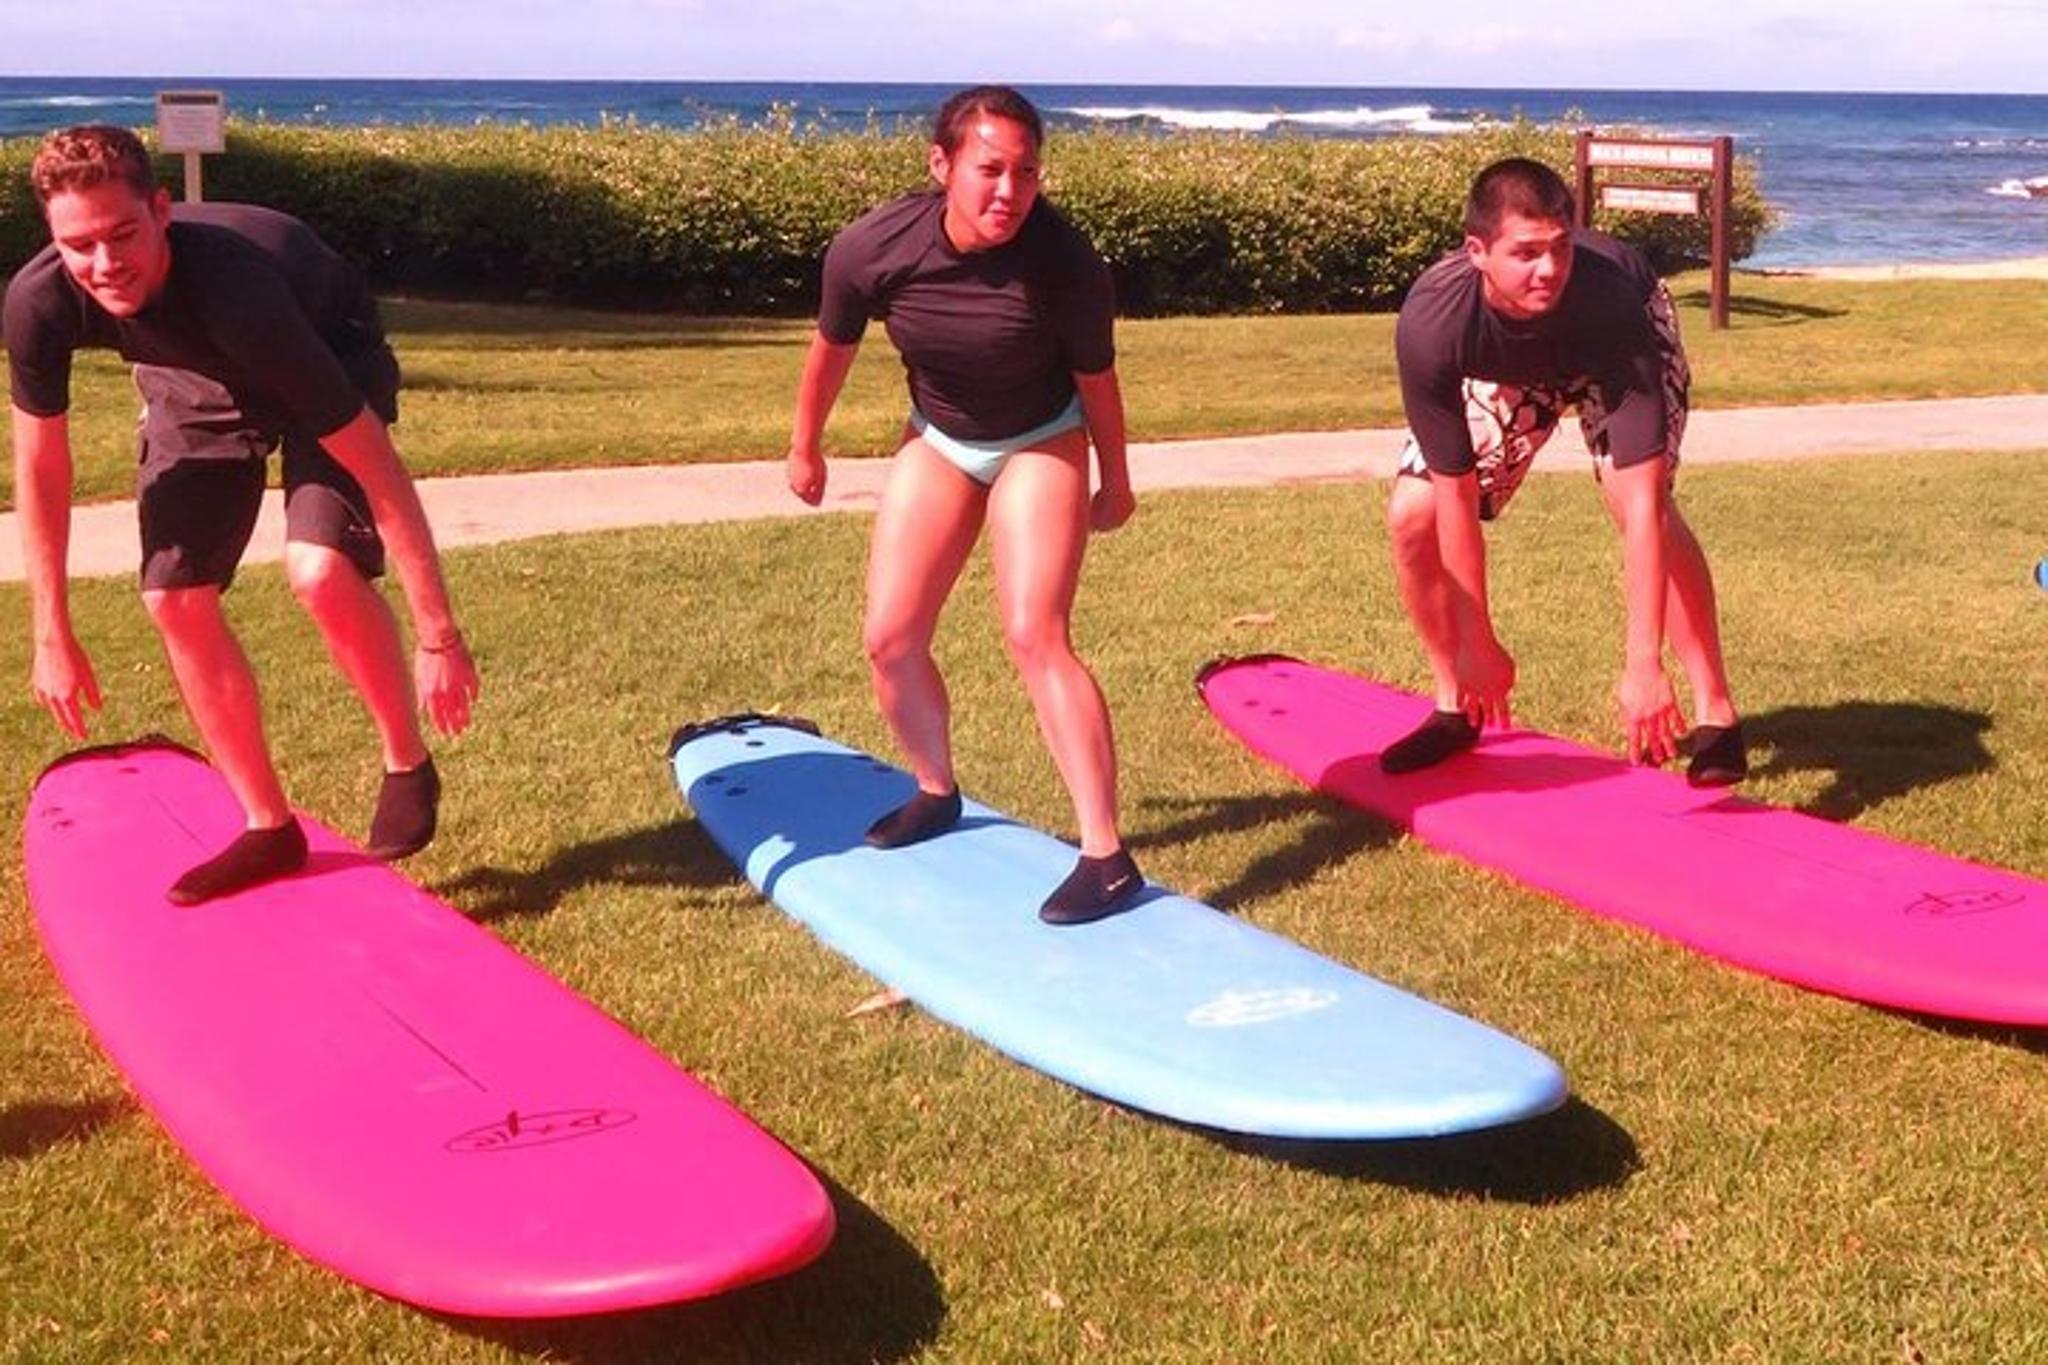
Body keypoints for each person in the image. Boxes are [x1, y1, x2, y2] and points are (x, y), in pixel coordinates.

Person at [6, 124, 479, 904]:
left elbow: (377, 468)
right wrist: (50, 631)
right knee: (172, 597)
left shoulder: (239, 290)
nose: (102, 263)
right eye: (77, 244)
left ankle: (405, 757)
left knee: (320, 571)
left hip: (322, 348)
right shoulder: (39, 302)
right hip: (192, 375)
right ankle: (268, 826)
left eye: (122, 233)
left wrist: (440, 635)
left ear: (162, 209)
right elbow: (41, 465)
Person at [785, 85, 1143, 925]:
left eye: (1026, 172)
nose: (1008, 192)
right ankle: (935, 789)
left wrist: (1115, 478)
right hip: (940, 436)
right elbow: (831, 347)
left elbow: (1097, 382)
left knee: (1034, 632)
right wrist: (805, 443)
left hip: (1042, 436)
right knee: (890, 637)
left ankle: (1106, 853)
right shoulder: (874, 246)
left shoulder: (1065, 260)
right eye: (989, 169)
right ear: (941, 166)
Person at [1382, 157, 1745, 784]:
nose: (1548, 270)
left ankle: (1717, 712)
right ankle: (1455, 704)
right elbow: (1455, 490)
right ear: (1478, 250)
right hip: (1513, 366)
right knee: (1411, 513)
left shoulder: (1607, 299)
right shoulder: (1433, 324)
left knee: (1642, 504)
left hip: (1615, 347)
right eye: (1525, 253)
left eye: (1559, 249)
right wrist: (1478, 641)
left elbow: (1640, 506)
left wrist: (1642, 663)